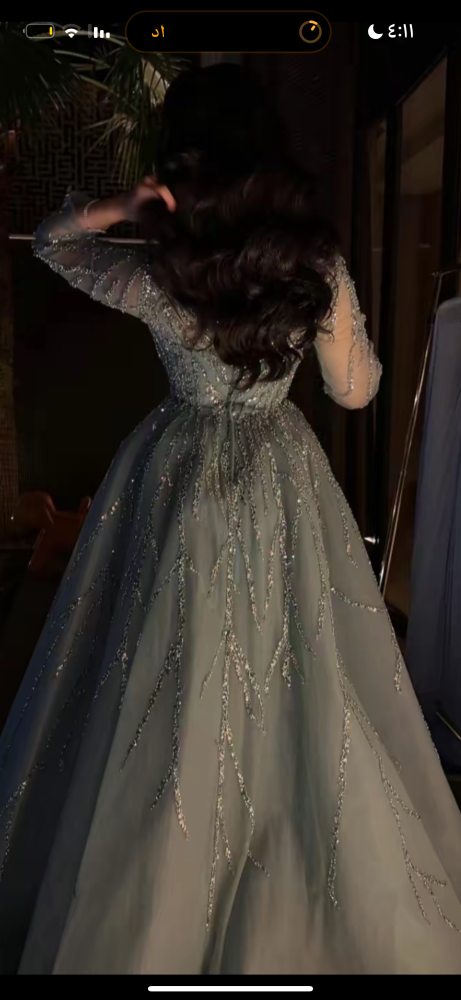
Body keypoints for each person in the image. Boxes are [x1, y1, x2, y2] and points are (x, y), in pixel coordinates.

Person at [0, 63, 460, 976]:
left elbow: (52, 242)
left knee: (162, 661)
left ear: (183, 160)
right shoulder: (312, 264)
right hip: (277, 471)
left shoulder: (162, 265)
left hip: (175, 470)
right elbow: (356, 390)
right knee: (296, 666)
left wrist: (126, 205)